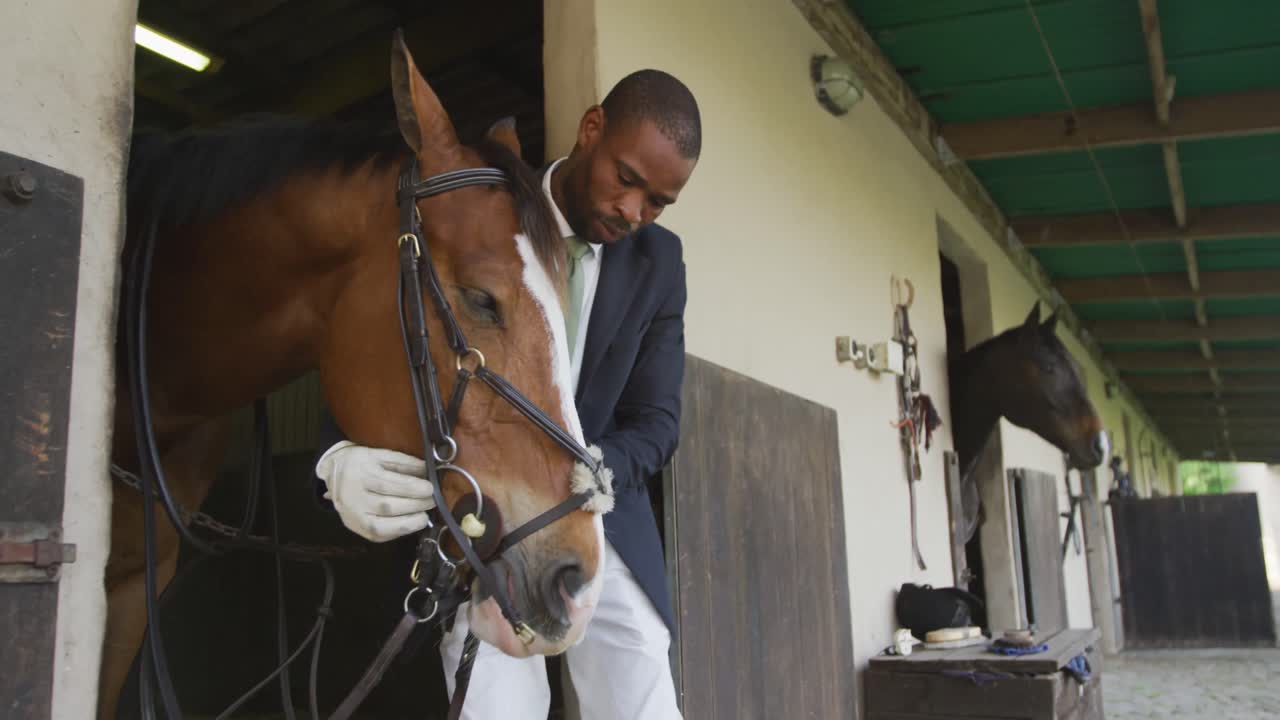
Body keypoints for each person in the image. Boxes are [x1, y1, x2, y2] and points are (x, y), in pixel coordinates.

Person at [315, 69, 701, 719]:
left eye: (658, 201)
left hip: (599, 522)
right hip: (484, 524)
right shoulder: (486, 211)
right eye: (626, 179)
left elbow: (658, 419)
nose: (634, 212)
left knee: (643, 694)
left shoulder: (659, 263)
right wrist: (332, 459)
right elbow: (387, 337)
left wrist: (598, 470)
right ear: (591, 130)